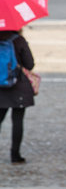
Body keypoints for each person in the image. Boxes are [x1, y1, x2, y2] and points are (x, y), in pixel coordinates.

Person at [0, 30, 35, 163]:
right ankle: (15, 155)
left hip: (0, 87)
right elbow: (30, 64)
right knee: (17, 121)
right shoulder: (18, 40)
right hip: (18, 86)